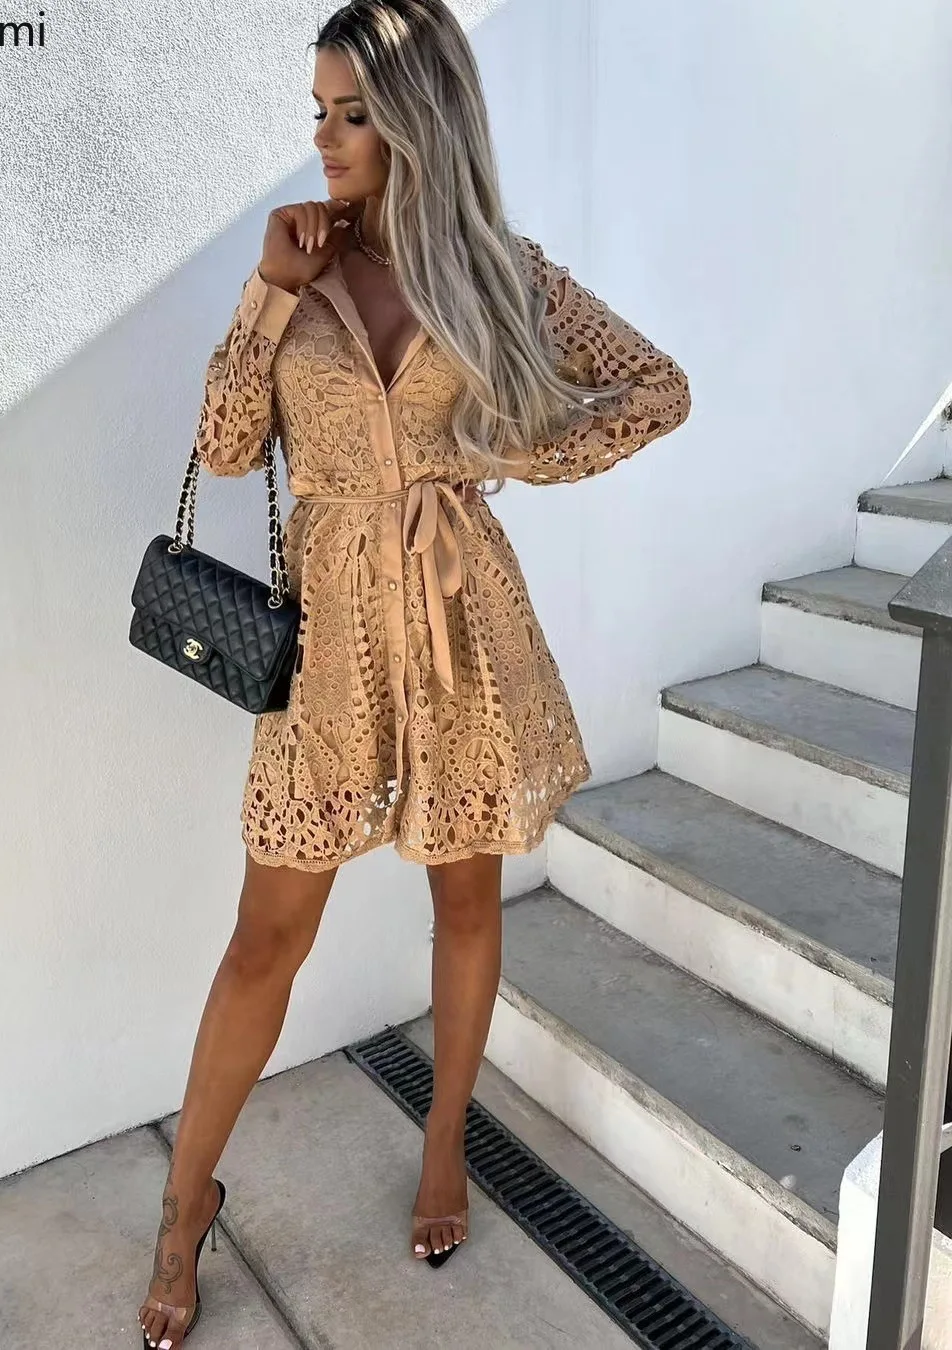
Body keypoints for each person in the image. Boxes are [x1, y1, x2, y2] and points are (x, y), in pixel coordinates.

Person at [138, 1, 690, 1345]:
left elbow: (654, 388)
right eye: (319, 113)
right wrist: (270, 290)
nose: (326, 140)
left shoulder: (499, 270)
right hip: (328, 647)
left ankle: (446, 1142)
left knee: (465, 900)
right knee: (266, 936)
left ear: (419, 121)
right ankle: (184, 1203)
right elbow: (223, 449)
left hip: (460, 624)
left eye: (354, 113)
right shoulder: (295, 264)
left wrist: (502, 456)